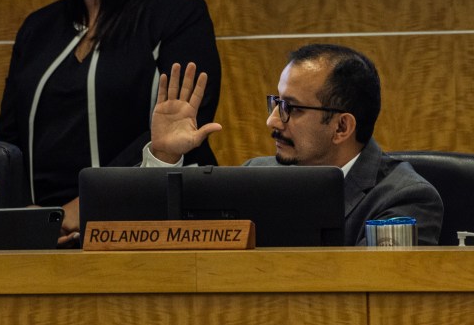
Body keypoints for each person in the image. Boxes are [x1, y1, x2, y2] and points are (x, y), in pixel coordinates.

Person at [0, 0, 222, 243]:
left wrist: (89, 204)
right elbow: (7, 145)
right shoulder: (39, 28)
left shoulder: (177, 14)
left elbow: (184, 123)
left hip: (152, 226)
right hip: (47, 231)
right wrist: (25, 217)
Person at [144, 43, 443, 246]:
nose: (273, 121)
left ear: (342, 127)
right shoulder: (255, 177)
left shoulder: (404, 199)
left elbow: (377, 296)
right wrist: (166, 155)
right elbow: (161, 244)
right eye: (276, 103)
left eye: (292, 108)